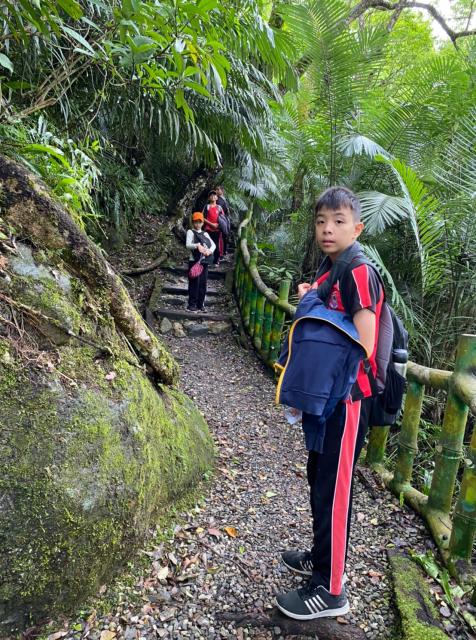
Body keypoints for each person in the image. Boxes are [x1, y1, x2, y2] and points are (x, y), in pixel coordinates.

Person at [276, 186, 384, 620]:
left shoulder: (359, 272)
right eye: (321, 220)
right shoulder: (330, 267)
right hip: (328, 396)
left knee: (335, 491)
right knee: (318, 479)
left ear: (357, 228)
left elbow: (366, 343)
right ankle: (321, 558)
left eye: (338, 221)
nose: (327, 229)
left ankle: (331, 589)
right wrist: (312, 294)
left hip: (348, 398)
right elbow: (322, 307)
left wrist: (314, 306)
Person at [185, 212, 215, 312]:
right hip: (194, 261)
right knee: (194, 282)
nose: (197, 224)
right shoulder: (190, 232)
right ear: (193, 222)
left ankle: (200, 304)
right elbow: (188, 245)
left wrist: (209, 251)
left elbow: (213, 245)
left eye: (199, 222)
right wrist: (197, 245)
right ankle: (191, 304)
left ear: (202, 223)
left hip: (204, 261)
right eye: (196, 222)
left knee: (203, 283)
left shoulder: (205, 233)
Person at [203, 190, 222, 266]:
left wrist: (218, 225)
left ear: (217, 197)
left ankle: (216, 261)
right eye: (211, 195)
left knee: (216, 245)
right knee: (208, 244)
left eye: (214, 195)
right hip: (208, 229)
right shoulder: (206, 207)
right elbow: (202, 218)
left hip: (217, 229)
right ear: (209, 198)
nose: (213, 196)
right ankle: (208, 260)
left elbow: (223, 218)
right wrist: (211, 224)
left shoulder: (219, 207)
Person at [215, 185, 231, 256]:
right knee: (223, 235)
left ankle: (224, 251)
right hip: (221, 219)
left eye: (218, 189)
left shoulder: (223, 199)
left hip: (225, 218)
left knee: (225, 235)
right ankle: (222, 252)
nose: (216, 191)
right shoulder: (218, 200)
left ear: (222, 191)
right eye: (216, 189)